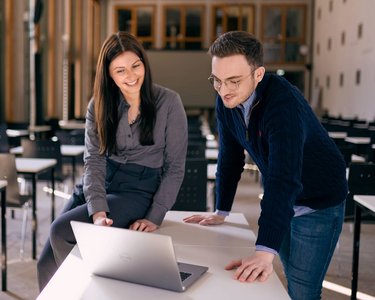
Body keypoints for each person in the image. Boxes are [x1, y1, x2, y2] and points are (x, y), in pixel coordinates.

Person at [183, 31, 348, 300]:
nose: (224, 90)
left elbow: (284, 178)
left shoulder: (283, 104)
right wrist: (221, 210)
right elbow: (230, 157)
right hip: (283, 196)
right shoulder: (227, 101)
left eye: (234, 81)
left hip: (319, 199)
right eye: (217, 80)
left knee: (303, 288)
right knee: (278, 270)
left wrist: (263, 250)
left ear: (258, 74)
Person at [37, 31, 188, 291]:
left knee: (62, 232)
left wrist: (155, 215)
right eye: (120, 71)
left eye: (135, 66)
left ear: (144, 63)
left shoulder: (169, 103)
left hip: (137, 188)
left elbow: (175, 167)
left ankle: (89, 294)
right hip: (98, 182)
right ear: (109, 74)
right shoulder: (98, 105)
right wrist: (98, 211)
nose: (130, 76)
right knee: (46, 262)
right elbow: (93, 161)